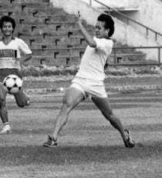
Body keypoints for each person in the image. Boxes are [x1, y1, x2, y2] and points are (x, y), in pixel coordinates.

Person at [43, 12, 134, 148]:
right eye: (95, 27)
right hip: (80, 80)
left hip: (95, 84)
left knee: (109, 115)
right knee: (66, 105)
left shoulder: (107, 43)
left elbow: (91, 43)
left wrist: (79, 24)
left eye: (99, 28)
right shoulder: (98, 41)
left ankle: (124, 135)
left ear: (107, 30)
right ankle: (53, 138)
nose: (96, 30)